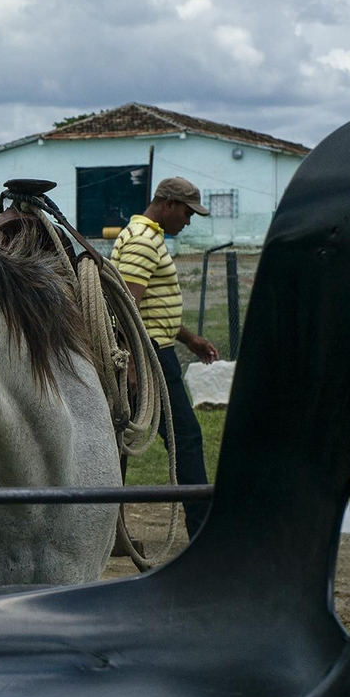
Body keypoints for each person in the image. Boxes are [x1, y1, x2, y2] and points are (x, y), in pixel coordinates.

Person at [111, 177, 219, 539]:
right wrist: (133, 366)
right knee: (185, 438)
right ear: (169, 204)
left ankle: (113, 530)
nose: (187, 222)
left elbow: (153, 307)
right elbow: (127, 306)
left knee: (128, 440)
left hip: (157, 350)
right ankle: (202, 531)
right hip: (151, 357)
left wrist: (190, 339)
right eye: (187, 213)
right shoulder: (143, 242)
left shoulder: (143, 235)